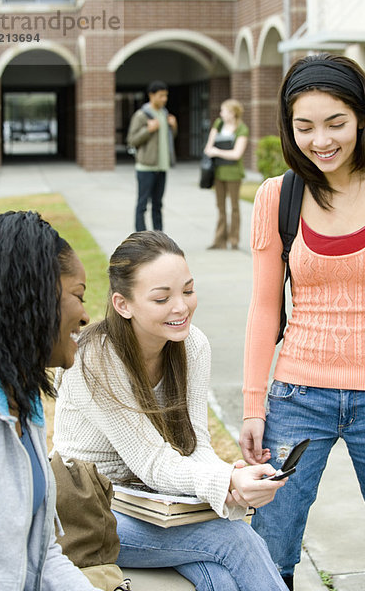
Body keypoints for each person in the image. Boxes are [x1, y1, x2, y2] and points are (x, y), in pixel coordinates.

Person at [52, 229, 289, 591]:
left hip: (157, 504)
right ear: (123, 304)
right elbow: (151, 460)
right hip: (94, 510)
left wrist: (233, 478)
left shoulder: (192, 345)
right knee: (233, 540)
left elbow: (195, 446)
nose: (181, 307)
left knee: (223, 576)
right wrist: (224, 482)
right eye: (162, 298)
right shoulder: (94, 358)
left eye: (188, 291)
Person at [239, 53, 365, 591]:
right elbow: (264, 308)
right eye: (305, 126)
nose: (321, 140)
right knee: (271, 547)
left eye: (336, 122)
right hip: (298, 395)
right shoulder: (279, 195)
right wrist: (253, 405)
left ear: (362, 117)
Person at [0, 210, 101, 590]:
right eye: (77, 296)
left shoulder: (22, 406)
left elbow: (40, 554)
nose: (85, 316)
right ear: (29, 298)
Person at [127, 80, 178, 232]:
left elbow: (169, 138)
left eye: (166, 96)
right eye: (161, 96)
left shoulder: (165, 114)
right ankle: (140, 237)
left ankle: (159, 237)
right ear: (151, 95)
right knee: (142, 204)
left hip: (162, 166)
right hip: (146, 167)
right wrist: (148, 130)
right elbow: (131, 140)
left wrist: (174, 127)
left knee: (158, 204)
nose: (164, 99)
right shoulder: (142, 115)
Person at [204, 99, 248, 250]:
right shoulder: (219, 124)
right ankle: (219, 240)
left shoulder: (241, 129)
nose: (221, 114)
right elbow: (208, 147)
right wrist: (215, 151)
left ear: (233, 113)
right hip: (218, 172)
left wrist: (217, 152)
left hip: (234, 174)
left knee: (234, 207)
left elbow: (237, 154)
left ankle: (234, 240)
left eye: (224, 111)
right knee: (220, 207)